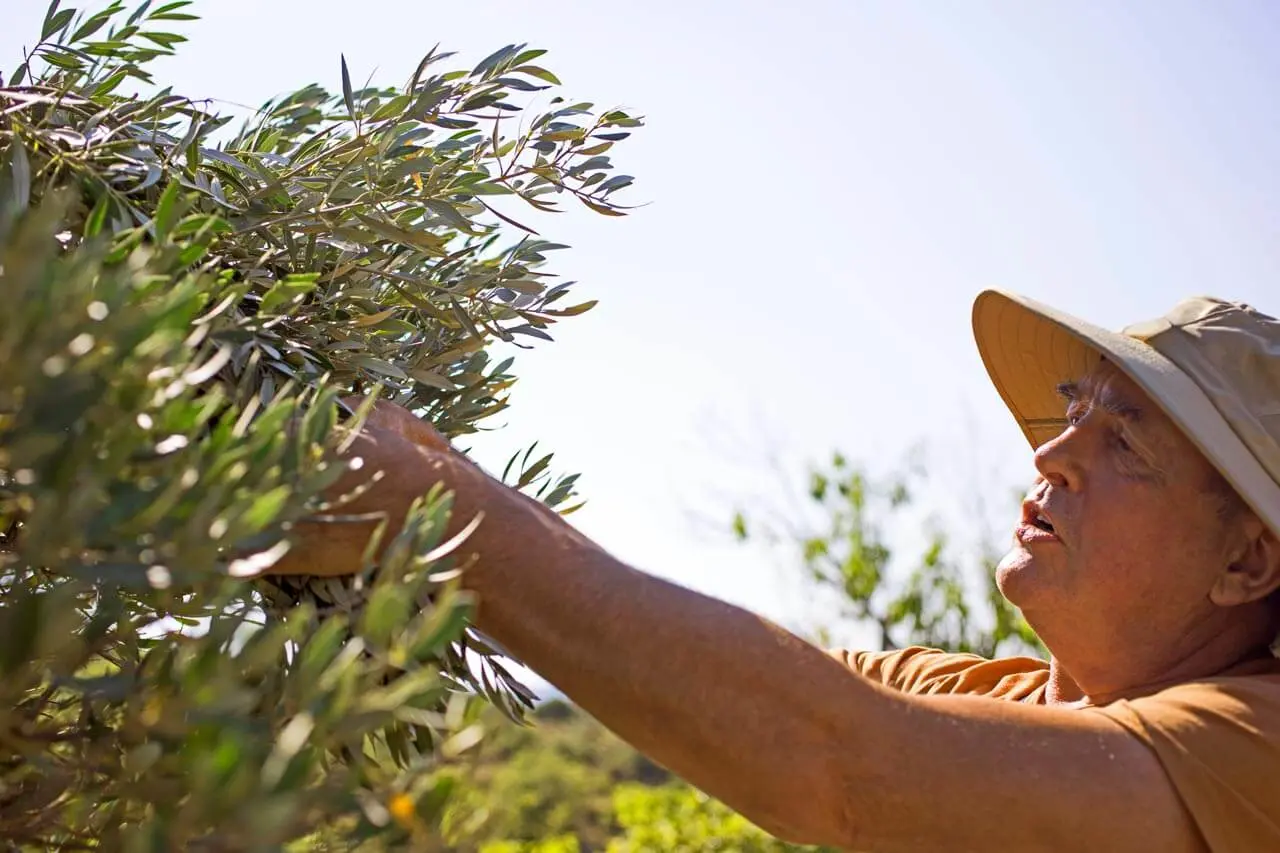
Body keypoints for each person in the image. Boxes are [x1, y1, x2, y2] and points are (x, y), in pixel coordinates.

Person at [269, 289, 1280, 852]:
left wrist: (439, 513)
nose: (1050, 453)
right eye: (1071, 414)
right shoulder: (985, 696)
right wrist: (428, 468)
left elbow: (840, 764)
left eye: (1122, 442)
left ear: (1245, 559)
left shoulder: (1257, 747)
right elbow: (748, 690)